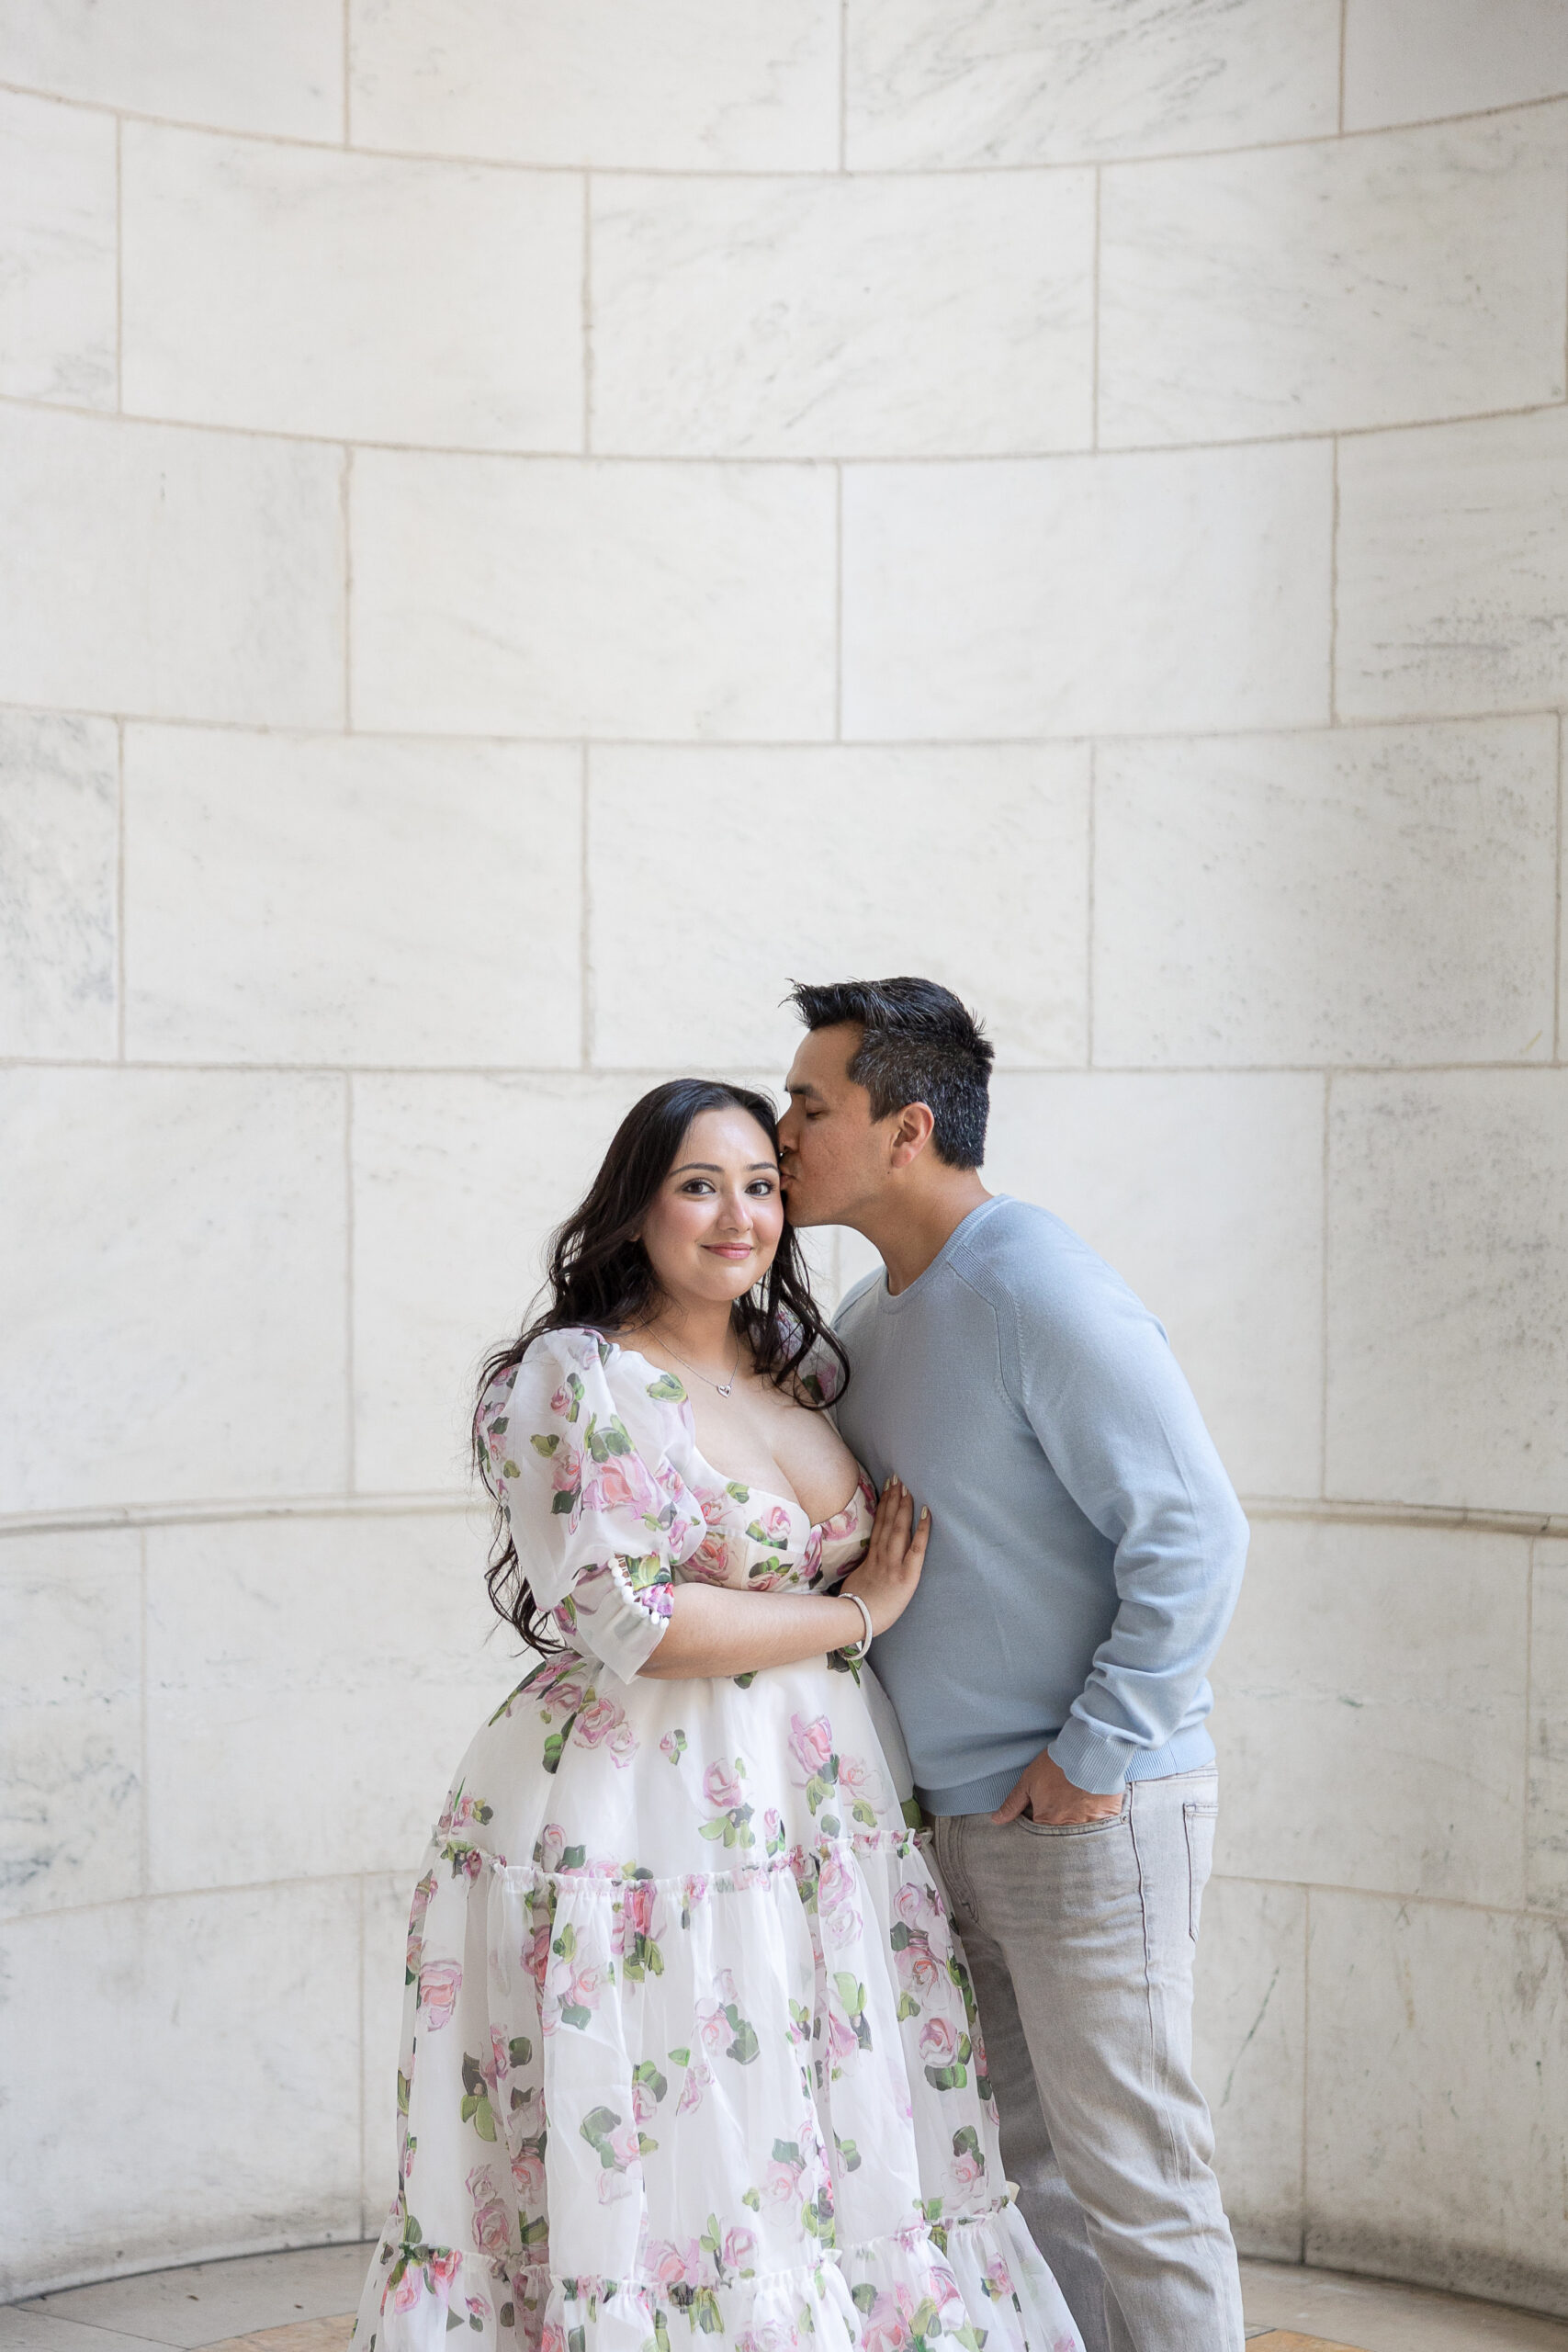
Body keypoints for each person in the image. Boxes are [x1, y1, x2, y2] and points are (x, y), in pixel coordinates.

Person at [354, 1078, 1085, 2352]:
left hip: (819, 1808)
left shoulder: (799, 1361)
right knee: (676, 2134)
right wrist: (858, 1617)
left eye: (760, 1183)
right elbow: (634, 1622)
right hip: (641, 1811)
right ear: (636, 1208)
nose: (738, 1214)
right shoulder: (569, 1379)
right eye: (700, 1184)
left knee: (813, 2128)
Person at [777, 980, 1249, 2352]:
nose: (784, 1131)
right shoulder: (876, 1319)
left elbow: (1196, 1534)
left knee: (1139, 2184)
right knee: (1015, 2182)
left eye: (812, 1107)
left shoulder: (1034, 1281)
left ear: (907, 1127)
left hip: (1087, 1814)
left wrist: (1092, 1755)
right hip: (960, 1825)